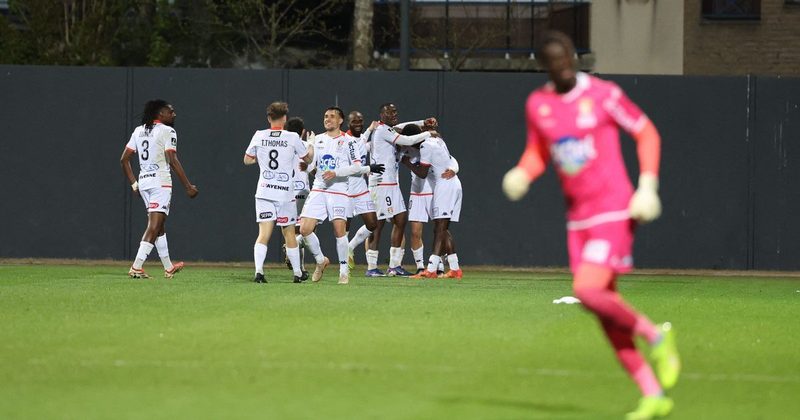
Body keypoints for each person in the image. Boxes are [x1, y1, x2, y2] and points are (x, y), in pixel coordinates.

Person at [501, 31, 680, 419]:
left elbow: (646, 131)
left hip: (614, 209)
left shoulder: (603, 95)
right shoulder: (539, 104)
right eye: (554, 62)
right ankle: (652, 394)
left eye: (567, 58)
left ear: (574, 56)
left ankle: (657, 336)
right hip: (577, 219)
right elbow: (539, 151)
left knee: (586, 289)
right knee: (603, 308)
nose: (563, 66)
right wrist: (524, 172)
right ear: (544, 66)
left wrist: (647, 186)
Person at [298, 107, 382, 284]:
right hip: (319, 188)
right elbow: (312, 165)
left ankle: (344, 270)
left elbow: (357, 167)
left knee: (339, 230)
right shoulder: (318, 139)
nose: (327, 119)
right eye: (325, 116)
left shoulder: (349, 141)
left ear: (340, 121)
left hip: (339, 190)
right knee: (304, 229)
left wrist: (336, 172)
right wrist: (307, 161)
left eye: (332, 117)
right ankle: (321, 261)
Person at [120, 100, 198, 279]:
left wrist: (134, 184)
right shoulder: (168, 131)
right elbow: (172, 159)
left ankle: (168, 266)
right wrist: (188, 186)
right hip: (160, 184)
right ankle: (137, 266)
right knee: (154, 225)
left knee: (160, 225)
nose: (174, 114)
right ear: (160, 114)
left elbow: (124, 159)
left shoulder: (138, 131)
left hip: (144, 183)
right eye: (171, 111)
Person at [243, 102, 312, 284]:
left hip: (264, 191)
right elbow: (308, 158)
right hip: (284, 193)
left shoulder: (259, 135)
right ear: (284, 118)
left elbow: (247, 160)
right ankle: (298, 273)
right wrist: (311, 146)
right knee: (289, 232)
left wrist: (262, 157)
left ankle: (259, 272)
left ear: (268, 118)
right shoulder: (292, 137)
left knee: (263, 234)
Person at [366, 103, 434, 277]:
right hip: (381, 184)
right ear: (381, 115)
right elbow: (408, 140)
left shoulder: (389, 129)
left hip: (391, 184)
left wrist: (422, 122)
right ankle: (371, 267)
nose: (394, 114)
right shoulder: (382, 131)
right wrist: (429, 132)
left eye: (395, 111)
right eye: (389, 112)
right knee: (378, 225)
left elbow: (402, 127)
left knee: (401, 219)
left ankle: (394, 265)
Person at [399, 123, 460, 275]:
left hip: (444, 186)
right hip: (449, 184)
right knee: (442, 228)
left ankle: (432, 268)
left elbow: (422, 173)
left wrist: (407, 163)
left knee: (440, 228)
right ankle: (454, 268)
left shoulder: (425, 146)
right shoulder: (437, 140)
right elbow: (450, 158)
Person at [343, 111, 384, 270]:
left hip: (361, 190)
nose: (358, 124)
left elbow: (363, 142)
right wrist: (368, 168)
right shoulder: (345, 140)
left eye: (360, 121)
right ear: (348, 123)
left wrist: (370, 129)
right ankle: (343, 266)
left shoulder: (360, 138)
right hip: (346, 191)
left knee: (372, 224)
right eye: (355, 121)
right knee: (344, 230)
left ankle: (350, 247)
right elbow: (354, 166)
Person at [284, 116, 313, 281]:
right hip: (302, 191)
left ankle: (300, 267)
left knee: (292, 230)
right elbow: (313, 166)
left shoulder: (283, 147)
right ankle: (298, 265)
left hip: (285, 191)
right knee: (307, 229)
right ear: (302, 132)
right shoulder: (305, 146)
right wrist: (312, 144)